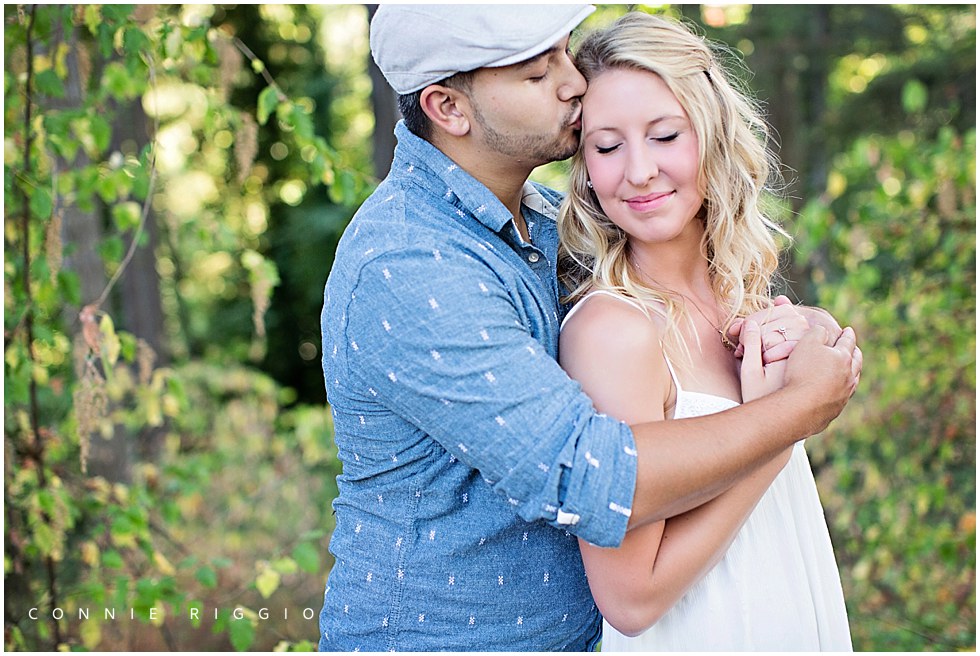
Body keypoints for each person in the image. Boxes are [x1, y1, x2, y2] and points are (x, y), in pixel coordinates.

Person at [317, 5, 860, 651]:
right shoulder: (408, 264)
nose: (572, 81)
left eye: (564, 52)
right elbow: (591, 477)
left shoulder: (548, 228)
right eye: (535, 72)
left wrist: (796, 329)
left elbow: (674, 307)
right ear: (448, 108)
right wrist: (799, 408)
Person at [556, 12, 853, 651]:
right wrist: (787, 416)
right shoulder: (614, 331)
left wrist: (810, 344)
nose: (638, 171)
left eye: (665, 135)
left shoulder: (736, 298)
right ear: (583, 166)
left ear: (713, 135)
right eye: (607, 146)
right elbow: (631, 597)